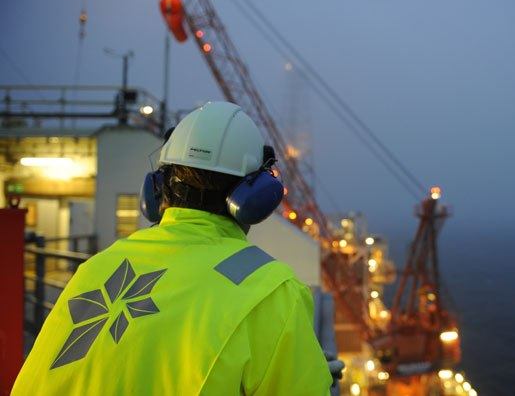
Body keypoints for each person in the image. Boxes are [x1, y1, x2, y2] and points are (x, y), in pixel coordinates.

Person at [12, 101, 338, 395]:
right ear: (255, 199)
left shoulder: (95, 268)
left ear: (156, 190)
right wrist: (310, 373)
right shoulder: (272, 292)